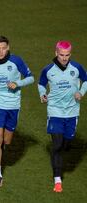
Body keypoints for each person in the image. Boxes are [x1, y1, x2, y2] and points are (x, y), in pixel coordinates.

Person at [0, 36, 34, 188]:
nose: (1, 51)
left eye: (4, 48)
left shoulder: (16, 61)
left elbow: (31, 78)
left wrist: (18, 83)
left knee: (6, 141)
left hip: (13, 105)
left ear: (8, 47)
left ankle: (1, 149)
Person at [38, 41, 87, 193]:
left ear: (70, 54)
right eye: (61, 55)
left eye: (67, 55)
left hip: (72, 112)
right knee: (57, 145)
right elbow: (41, 84)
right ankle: (57, 179)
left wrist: (81, 92)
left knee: (67, 142)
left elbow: (86, 81)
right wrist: (42, 94)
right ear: (56, 53)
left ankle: (66, 143)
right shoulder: (48, 70)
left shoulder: (77, 68)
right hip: (55, 112)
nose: (64, 58)